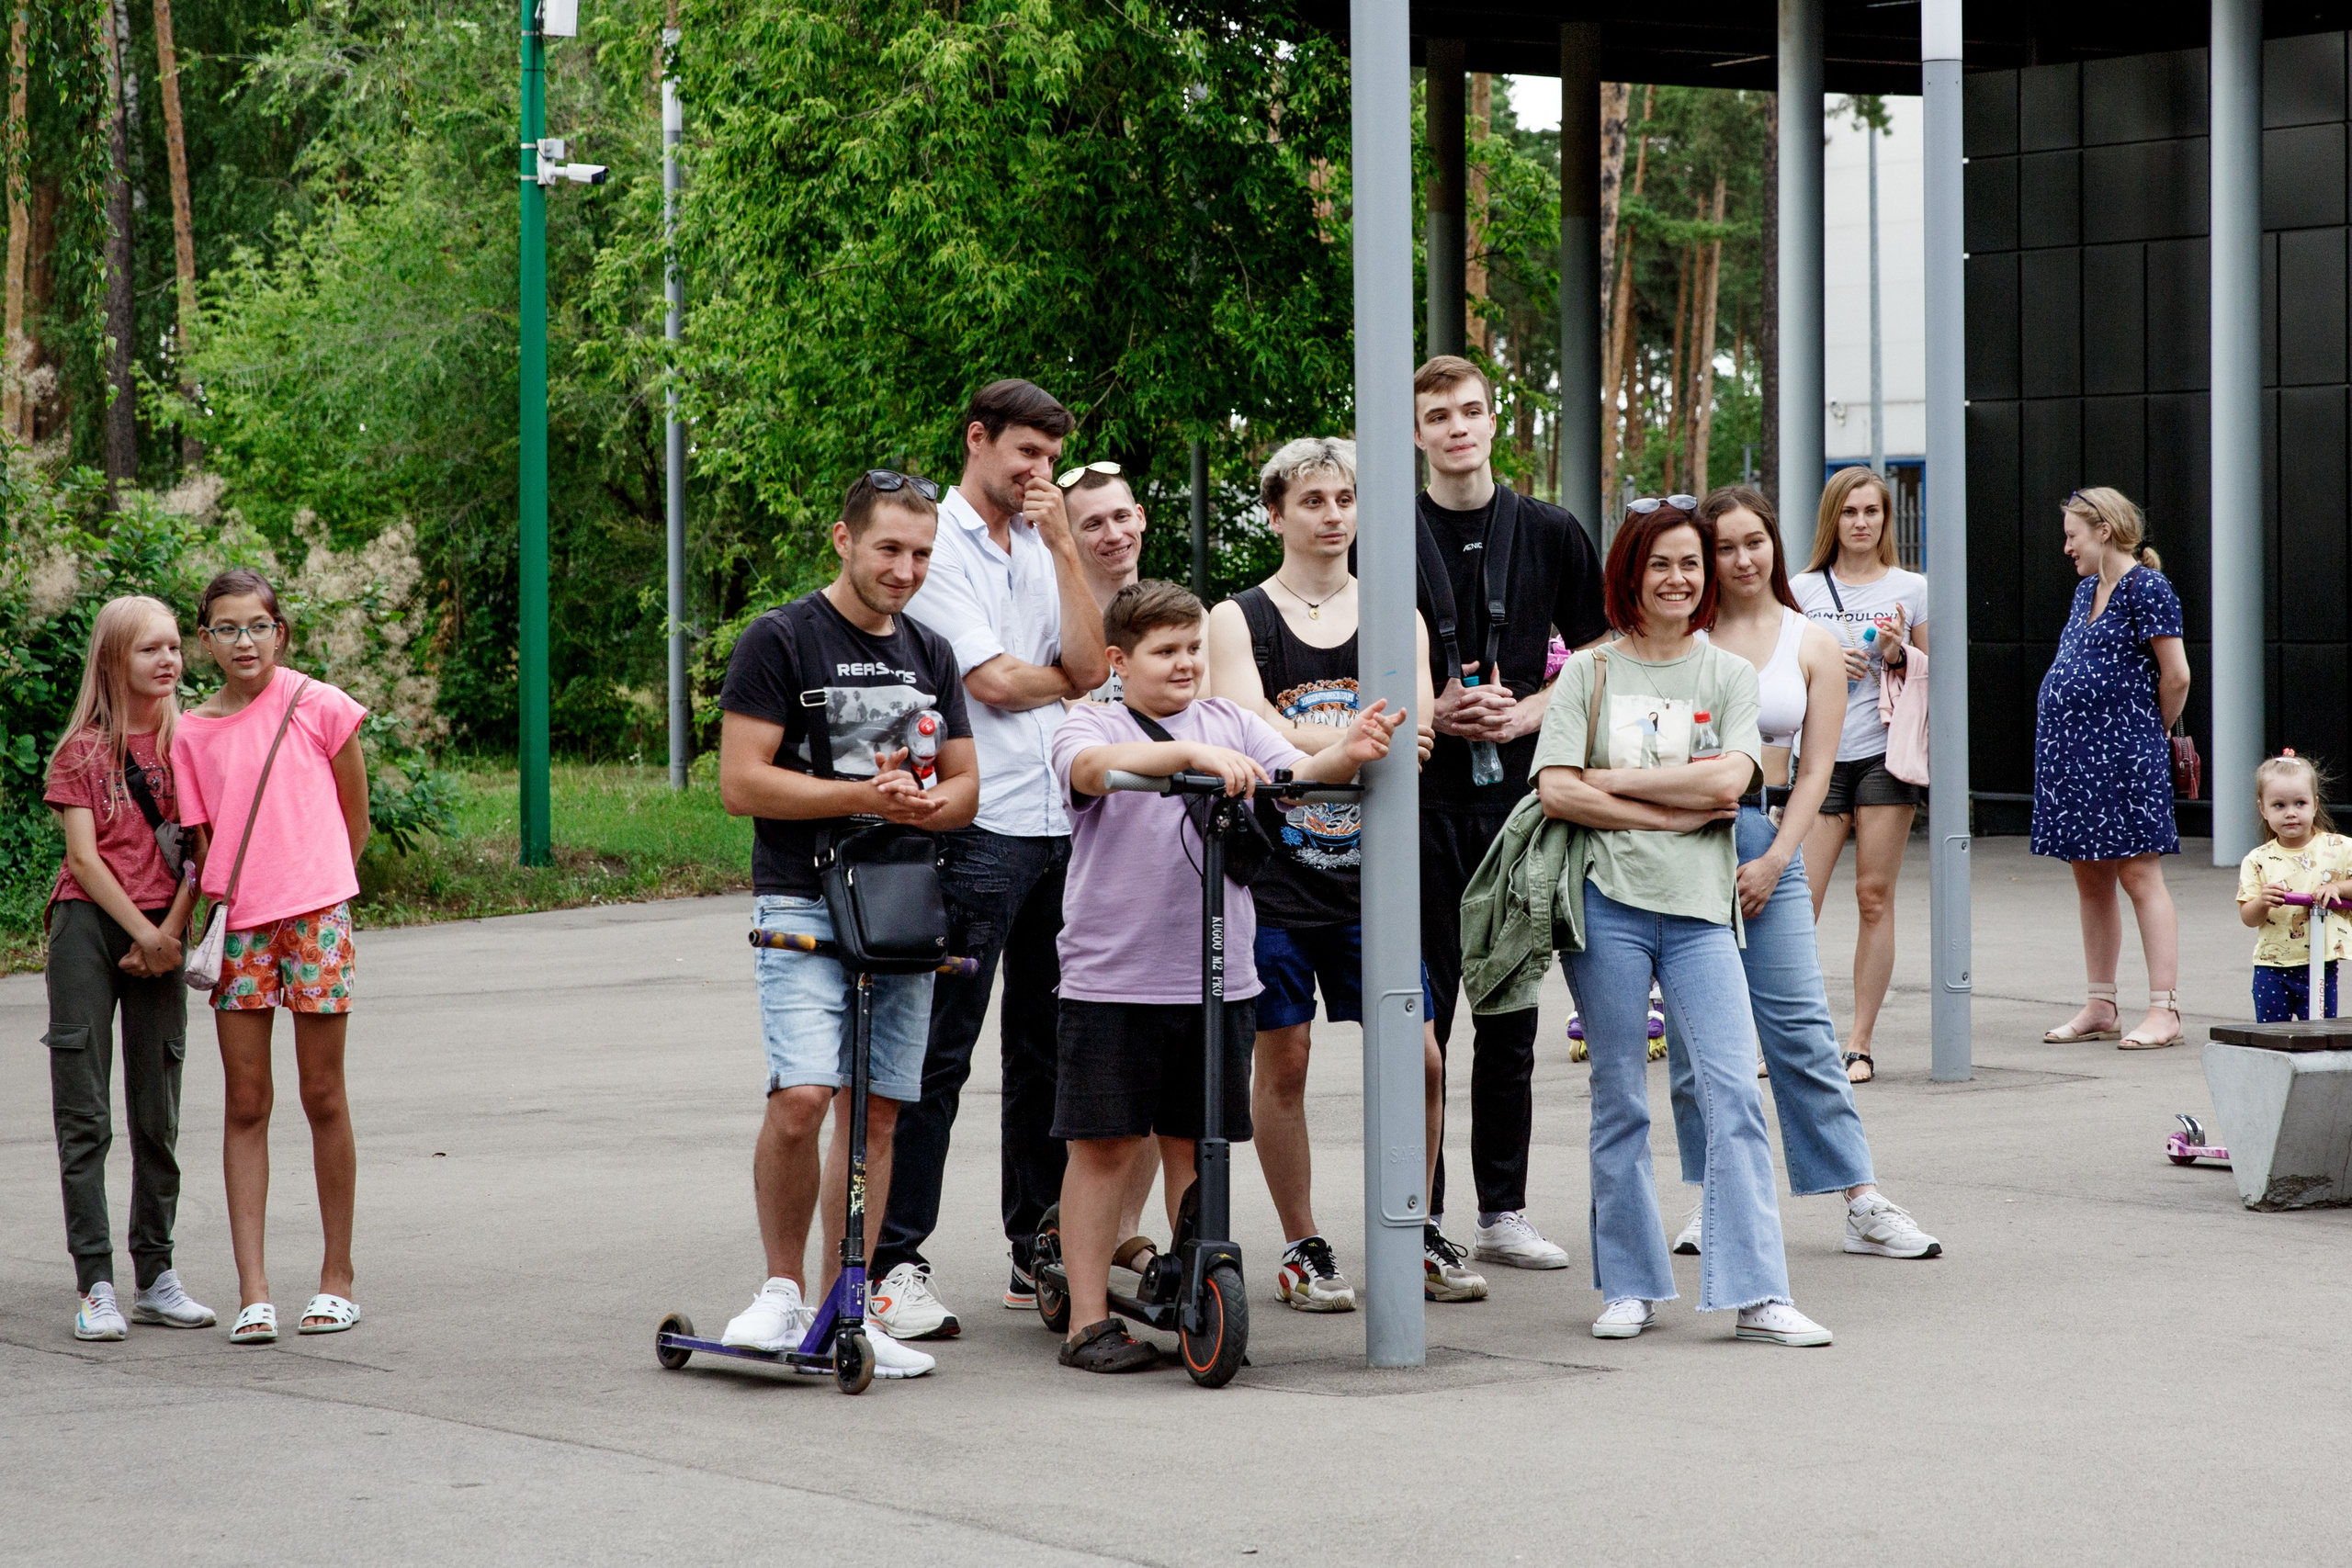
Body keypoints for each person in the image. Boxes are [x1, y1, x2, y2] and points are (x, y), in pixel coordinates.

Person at [1049, 580, 1404, 1371]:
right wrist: (1186, 755)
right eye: (1165, 651)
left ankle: (1191, 1283)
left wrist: (1355, 747)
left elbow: (1304, 770)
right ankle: (1087, 1318)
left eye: (1193, 650)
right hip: (1116, 979)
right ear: (1119, 659)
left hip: (1217, 976)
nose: (1184, 664)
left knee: (1197, 1143)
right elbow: (1095, 769)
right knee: (1105, 1145)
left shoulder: (1231, 719)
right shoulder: (1091, 720)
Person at [1530, 497, 1832, 1346]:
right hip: (1607, 906)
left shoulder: (1726, 675)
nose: (1679, 578)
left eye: (1690, 564)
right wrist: (1668, 806)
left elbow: (1729, 785)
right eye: (1660, 563)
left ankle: (1759, 1292)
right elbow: (1554, 788)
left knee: (1735, 1091)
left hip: (1704, 913)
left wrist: (1613, 783)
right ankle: (1628, 1283)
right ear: (1631, 571)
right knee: (1618, 1097)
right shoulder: (1588, 672)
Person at [715, 470, 979, 1380]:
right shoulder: (781, 640)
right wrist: (860, 796)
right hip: (800, 894)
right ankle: (782, 1293)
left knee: (879, 1119)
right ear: (843, 539)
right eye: (889, 549)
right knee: (801, 1099)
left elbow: (966, 785)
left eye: (920, 553)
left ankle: (845, 1310)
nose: (905, 569)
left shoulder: (933, 652)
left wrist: (923, 808)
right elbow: (741, 782)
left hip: (903, 903)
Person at [876, 379, 1112, 1337]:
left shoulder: (1039, 544)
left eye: (1051, 460)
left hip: (1063, 824)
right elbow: (992, 684)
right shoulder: (939, 549)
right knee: (941, 1051)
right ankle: (896, 1258)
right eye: (1025, 455)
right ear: (978, 440)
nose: (1039, 475)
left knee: (1051, 1054)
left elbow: (1094, 666)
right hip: (978, 827)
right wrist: (1054, 683)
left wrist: (1062, 546)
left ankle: (1038, 1245)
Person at [1204, 437, 1455, 1309]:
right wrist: (1350, 744)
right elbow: (1248, 734)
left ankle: (1413, 1223)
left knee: (1420, 1056)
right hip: (1274, 879)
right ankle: (1303, 1243)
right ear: (1276, 513)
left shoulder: (1396, 614)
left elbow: (1415, 739)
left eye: (1344, 499)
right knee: (1285, 1059)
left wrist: (1314, 744)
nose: (1333, 515)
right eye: (1312, 500)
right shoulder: (1238, 618)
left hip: (1374, 881)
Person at [1664, 488, 1940, 1262]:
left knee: (1801, 1029)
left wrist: (1779, 857)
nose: (1743, 559)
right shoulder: (1679, 635)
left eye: (1755, 542)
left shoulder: (1808, 638)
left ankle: (1859, 1197)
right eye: (1724, 547)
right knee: (1694, 1041)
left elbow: (1818, 768)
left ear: (1775, 546)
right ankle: (1711, 1194)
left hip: (1771, 831)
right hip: (1679, 845)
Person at [1410, 353, 1610, 1277]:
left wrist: (1529, 710)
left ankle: (1502, 1209)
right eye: (1438, 414)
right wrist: (1428, 712)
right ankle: (1419, 1214)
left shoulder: (1548, 530)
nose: (1457, 427)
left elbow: (1604, 645)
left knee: (1511, 1016)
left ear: (1494, 423)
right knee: (1420, 1023)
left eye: (1471, 411)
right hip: (1416, 803)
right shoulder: (1382, 535)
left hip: (1521, 804)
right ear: (1417, 432)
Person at [174, 570, 370, 1345]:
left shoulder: (319, 705)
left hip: (316, 919)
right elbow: (203, 845)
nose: (244, 641)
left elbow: (355, 819)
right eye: (227, 628)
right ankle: (254, 1288)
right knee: (246, 1101)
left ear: (280, 632)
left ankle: (337, 1278)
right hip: (241, 932)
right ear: (206, 640)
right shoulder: (190, 730)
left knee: (324, 1096)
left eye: (257, 626)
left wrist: (316, 885)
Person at [42, 596, 210, 1341]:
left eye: (173, 646)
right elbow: (83, 857)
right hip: (89, 925)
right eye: (149, 649)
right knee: (86, 1110)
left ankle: (158, 1273)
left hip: (163, 933)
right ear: (114, 660)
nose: (168, 660)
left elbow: (204, 851)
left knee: (157, 1104)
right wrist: (144, 930)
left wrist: (170, 934)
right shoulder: (81, 749)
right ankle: (96, 1283)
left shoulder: (193, 745)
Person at [1056, 457, 1168, 1258]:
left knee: (1165, 1072)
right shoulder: (1052, 606)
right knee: (1079, 1075)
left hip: (1159, 865)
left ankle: (1127, 1233)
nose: (1111, 533)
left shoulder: (1165, 614)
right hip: (1063, 846)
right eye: (1090, 521)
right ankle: (1063, 1239)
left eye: (1121, 516)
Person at [2034, 487, 2193, 1050]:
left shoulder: (2147, 587)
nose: (2066, 546)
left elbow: (2176, 676)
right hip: (2074, 758)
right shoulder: (2086, 592)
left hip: (2123, 755)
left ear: (2103, 530)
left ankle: (2164, 1010)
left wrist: (2146, 733)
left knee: (2138, 873)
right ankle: (2101, 1003)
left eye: (2072, 535)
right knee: (2090, 876)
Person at [1788, 467, 1928, 1083]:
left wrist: (1900, 654)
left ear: (1886, 519)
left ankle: (1860, 1042)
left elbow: (1933, 674)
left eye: (1873, 511)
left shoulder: (1912, 587)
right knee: (1798, 903)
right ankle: (1787, 1038)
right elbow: (1773, 671)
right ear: (1833, 519)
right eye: (1850, 511)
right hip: (1818, 758)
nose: (1863, 522)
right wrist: (1818, 662)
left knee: (1874, 895)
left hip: (1883, 756)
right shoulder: (1801, 588)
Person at [2237, 752, 2352, 1022]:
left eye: (2300, 803)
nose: (2291, 813)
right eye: (2279, 805)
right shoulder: (2258, 860)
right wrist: (2263, 901)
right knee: (2272, 1037)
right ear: (2263, 809)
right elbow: (2248, 917)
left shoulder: (2339, 848)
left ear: (2315, 805)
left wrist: (2339, 887)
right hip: (2271, 966)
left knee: (2318, 1036)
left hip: (2320, 965)